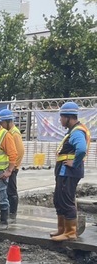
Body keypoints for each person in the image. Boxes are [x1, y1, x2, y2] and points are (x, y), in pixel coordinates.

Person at [50, 101, 91, 241]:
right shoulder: (73, 131)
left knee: (66, 200)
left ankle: (70, 232)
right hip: (63, 172)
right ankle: (62, 229)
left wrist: (75, 163)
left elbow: (81, 149)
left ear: (69, 117)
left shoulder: (77, 132)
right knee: (59, 199)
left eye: (62, 117)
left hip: (69, 172)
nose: (60, 120)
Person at [0, 108, 25, 222]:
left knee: (11, 191)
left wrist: (12, 168)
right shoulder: (8, 132)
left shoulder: (14, 133)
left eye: (2, 123)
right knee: (6, 190)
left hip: (12, 168)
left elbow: (19, 151)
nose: (1, 125)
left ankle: (12, 214)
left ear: (9, 122)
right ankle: (7, 212)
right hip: (9, 167)